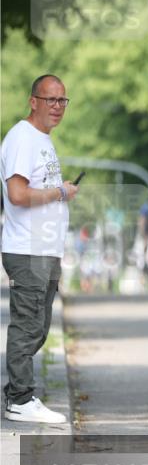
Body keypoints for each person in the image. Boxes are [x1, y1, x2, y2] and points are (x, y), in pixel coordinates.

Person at [1, 74, 79, 423]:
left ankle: (16, 392)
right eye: (50, 99)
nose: (57, 106)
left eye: (62, 100)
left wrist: (61, 192)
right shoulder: (23, 138)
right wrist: (59, 193)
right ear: (33, 101)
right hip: (27, 249)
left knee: (39, 326)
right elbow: (17, 194)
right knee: (27, 326)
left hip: (45, 249)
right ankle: (20, 399)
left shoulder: (42, 139)